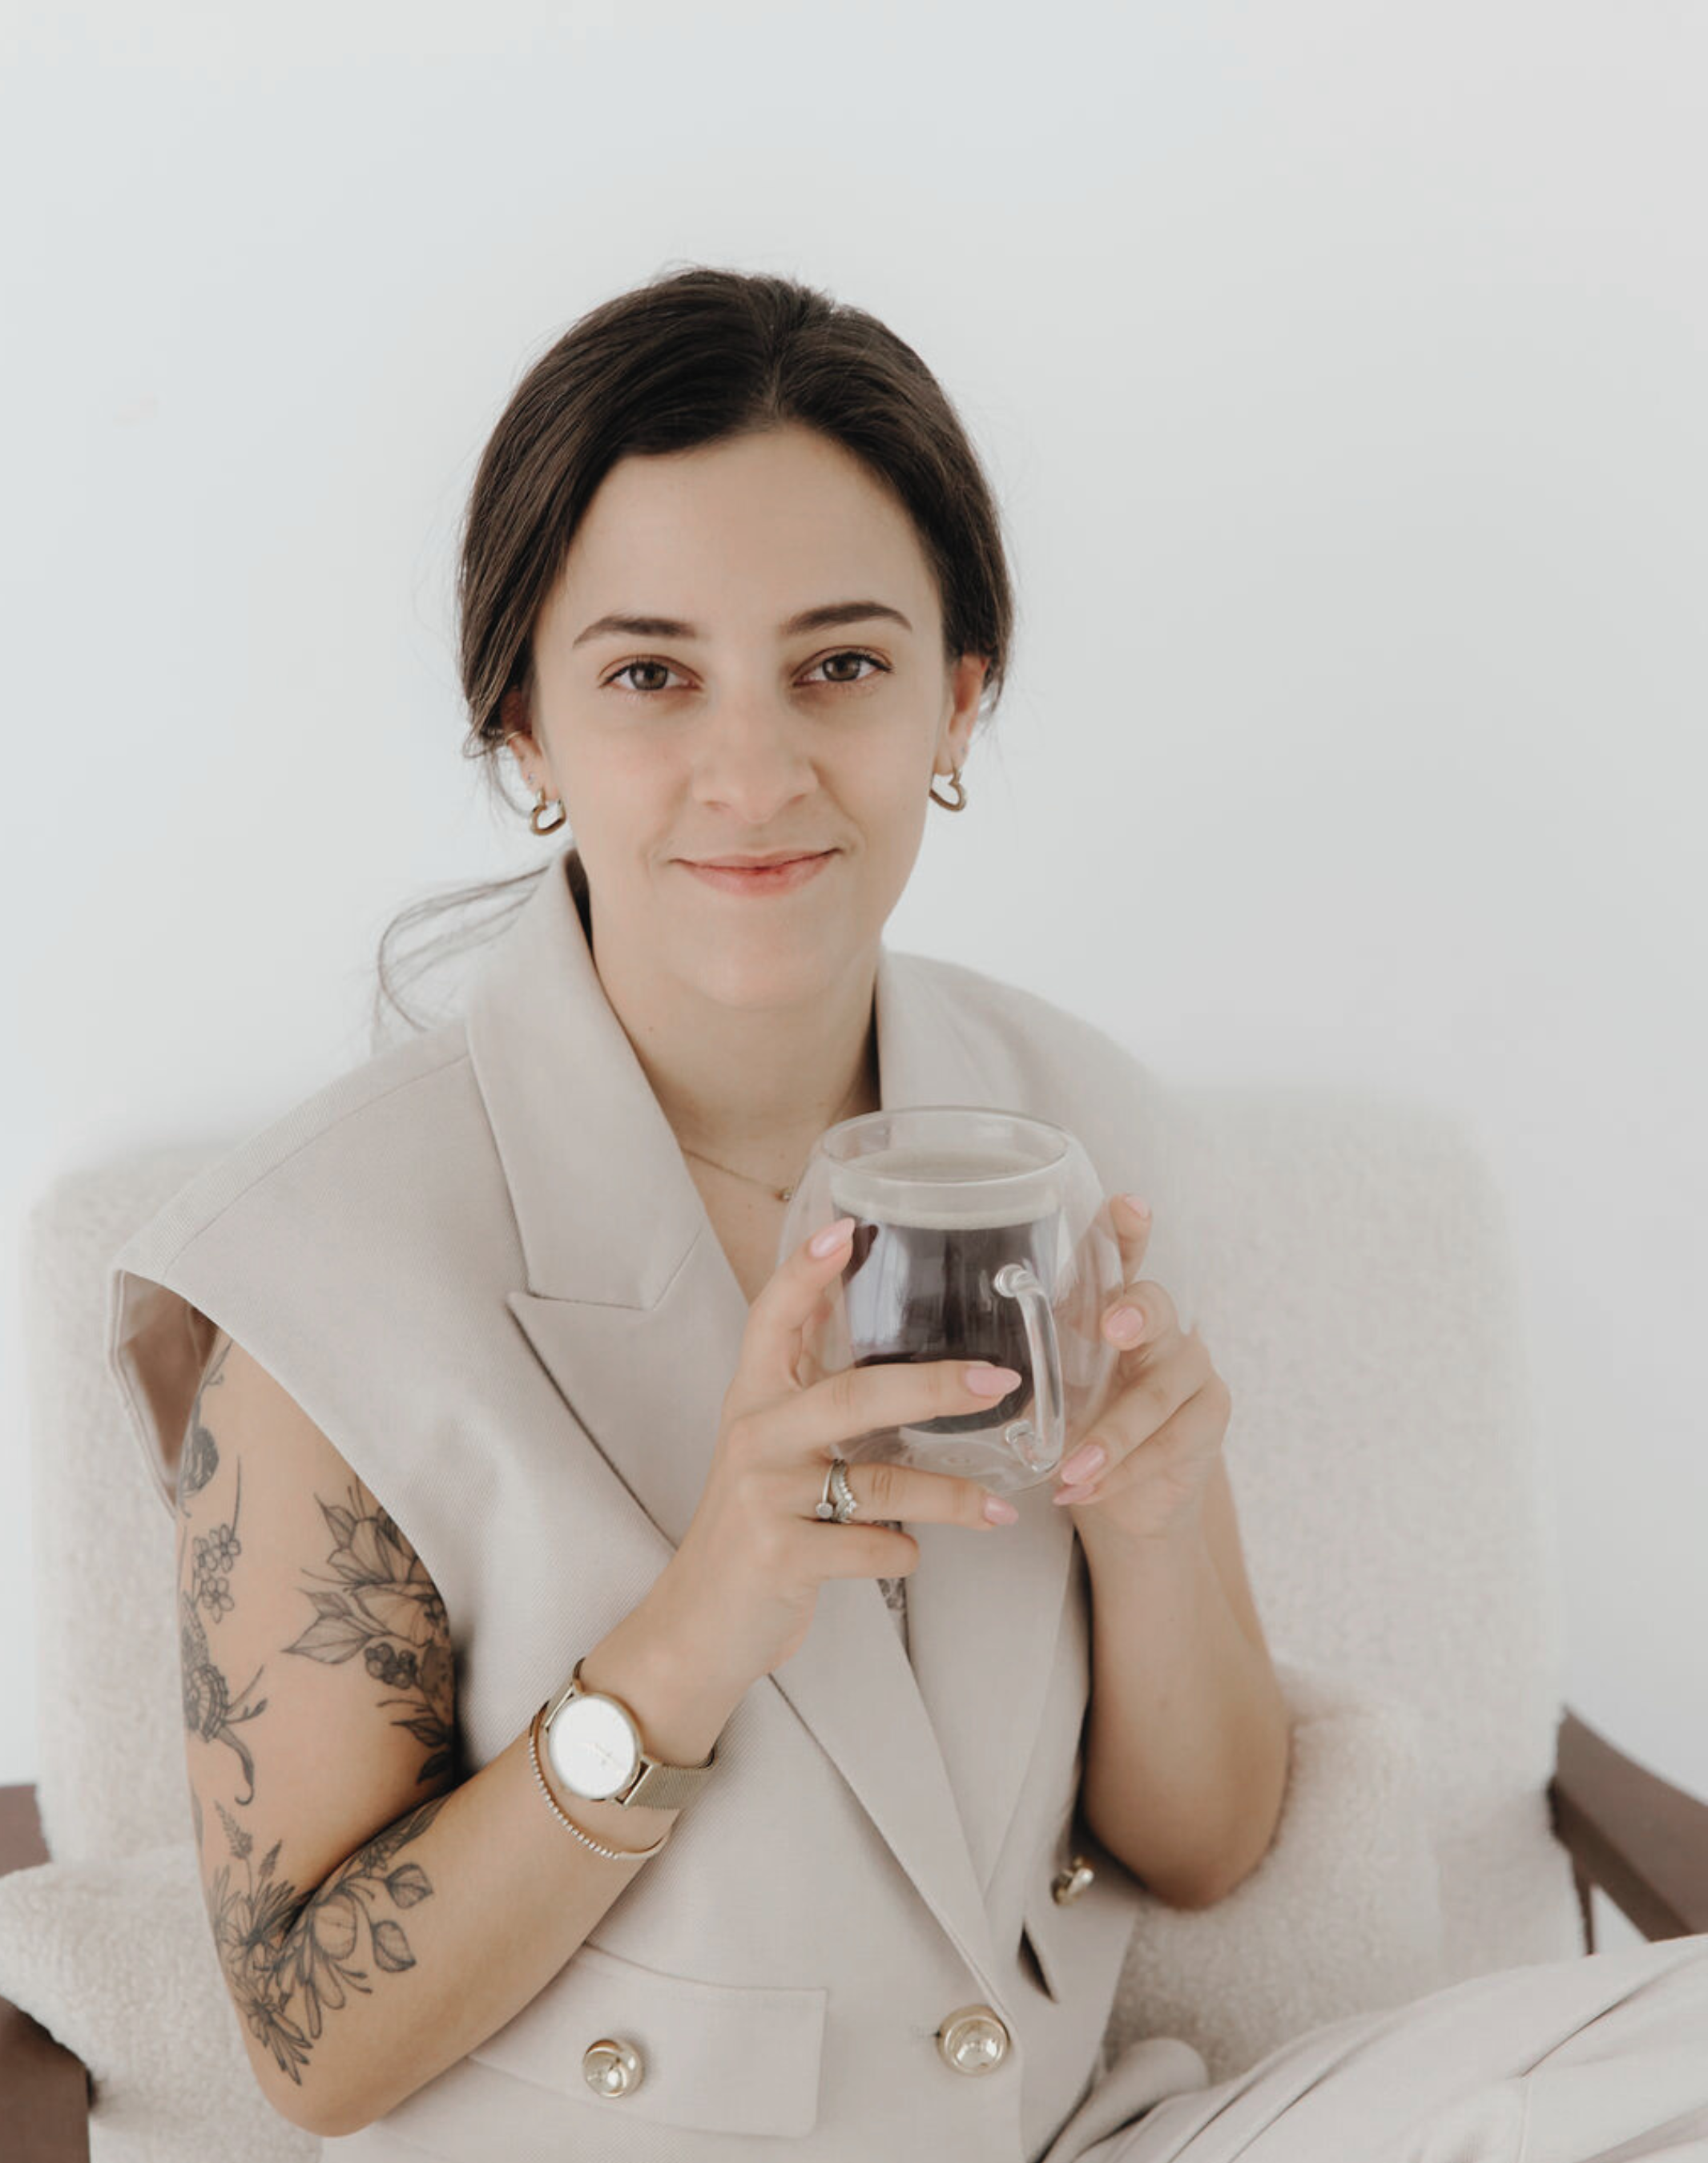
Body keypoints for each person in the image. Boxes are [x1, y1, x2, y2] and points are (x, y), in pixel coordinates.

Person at [105, 266, 1708, 2162]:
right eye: (647, 674)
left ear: (959, 695)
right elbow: (311, 2046)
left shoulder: (1068, 1128)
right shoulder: (330, 1267)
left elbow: (1195, 1850)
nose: (758, 767)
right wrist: (701, 1623)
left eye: (841, 664)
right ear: (520, 729)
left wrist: (1158, 1523)